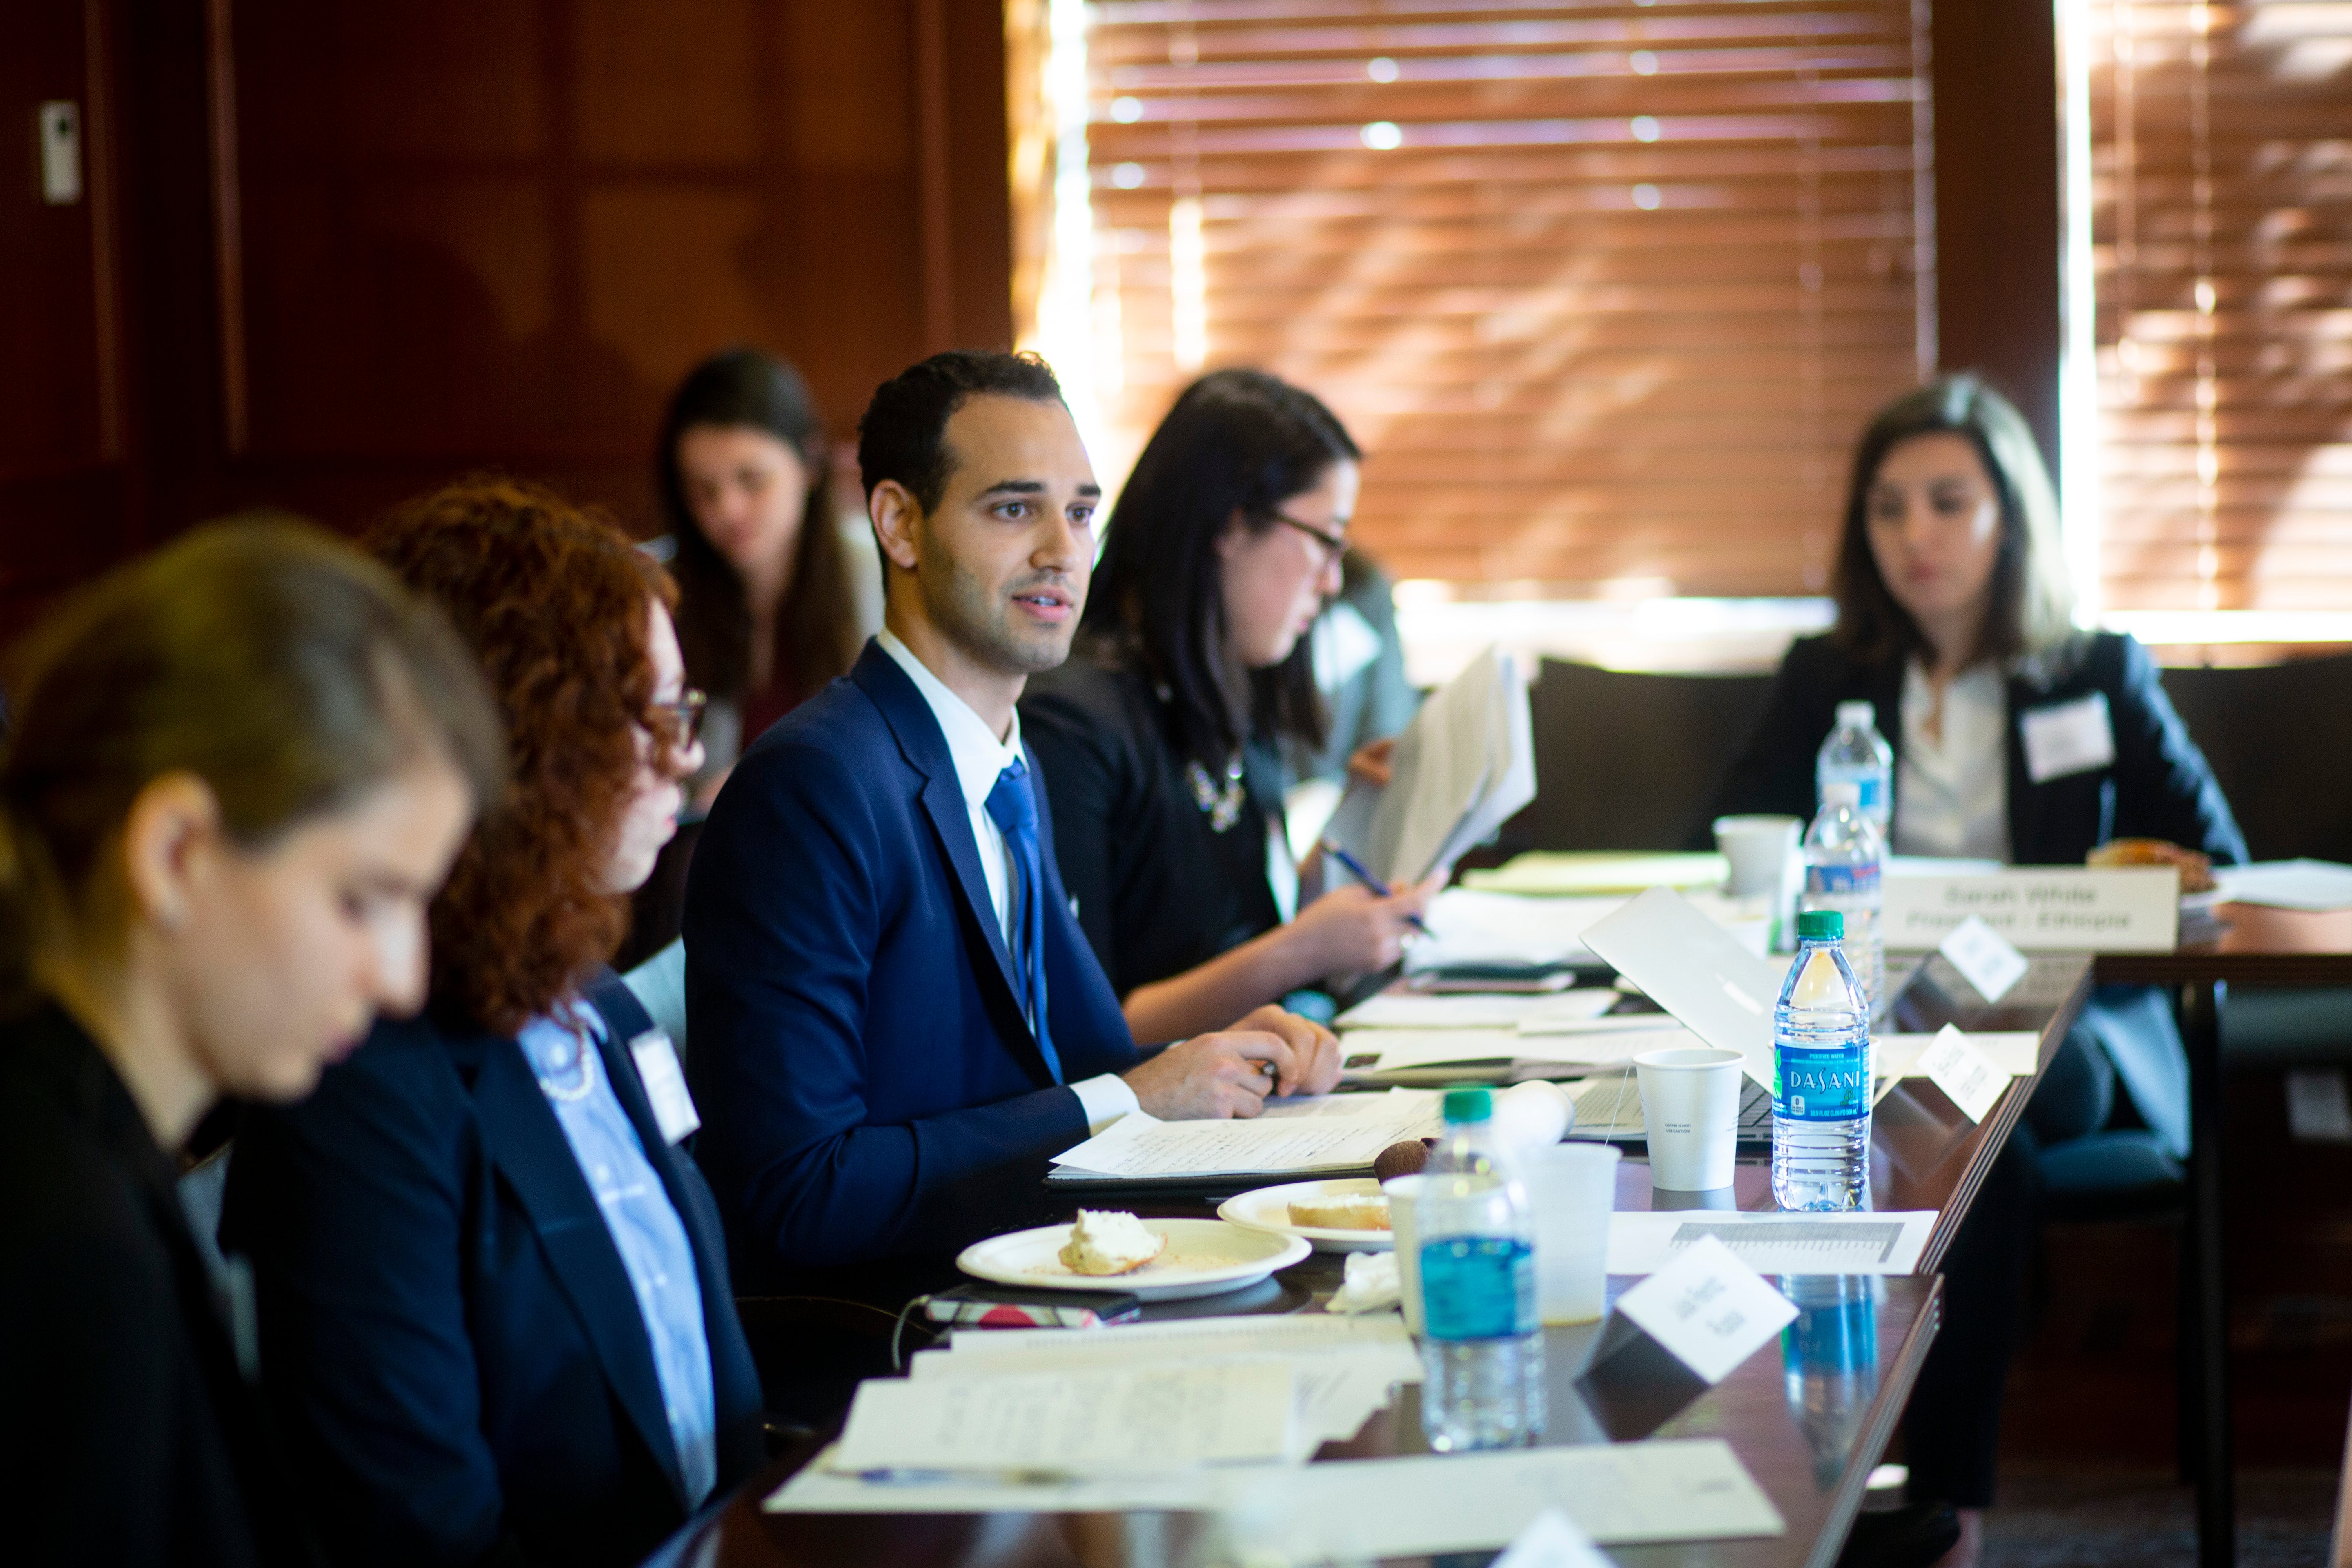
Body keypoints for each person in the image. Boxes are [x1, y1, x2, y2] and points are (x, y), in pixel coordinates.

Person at [1709, 374, 2246, 1566]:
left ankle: (1928, 1499)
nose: (1916, 537)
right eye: (1890, 507)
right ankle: (1943, 1514)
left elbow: (2220, 859)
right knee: (1964, 1133)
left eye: (1949, 503)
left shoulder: (2097, 671)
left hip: (2080, 1033)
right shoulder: (1826, 674)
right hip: (1887, 1023)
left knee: (1971, 1105)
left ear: (2012, 516)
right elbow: (1739, 836)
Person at [684, 350, 1342, 1305]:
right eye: (1012, 509)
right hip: (895, 1331)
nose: (1061, 550)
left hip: (1048, 1275)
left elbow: (1090, 1061)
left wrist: (1227, 1055)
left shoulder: (1002, 757)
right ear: (898, 523)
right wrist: (1133, 1093)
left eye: (1079, 512)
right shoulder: (811, 783)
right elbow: (799, 1191)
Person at [224, 481, 765, 1567]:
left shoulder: (599, 1005)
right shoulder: (364, 1088)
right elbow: (419, 1536)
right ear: (527, 736)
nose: (686, 759)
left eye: (686, 715)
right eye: (651, 718)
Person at [0, 522, 498, 1567]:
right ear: (177, 854)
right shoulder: (57, 1233)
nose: (402, 976)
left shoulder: (89, 1141)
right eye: (364, 900)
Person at [1021, 369, 1430, 1042]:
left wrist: (1359, 824)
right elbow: (1086, 1034)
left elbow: (1235, 934)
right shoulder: (1070, 721)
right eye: (1326, 540)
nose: (1331, 583)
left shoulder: (1228, 682)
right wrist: (1302, 949)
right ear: (1234, 525)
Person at [657, 346, 878, 808]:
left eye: (752, 481)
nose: (727, 510)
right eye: (703, 491)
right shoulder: (665, 593)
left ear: (810, 463)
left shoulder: (878, 578)